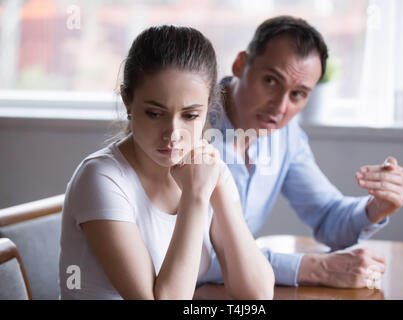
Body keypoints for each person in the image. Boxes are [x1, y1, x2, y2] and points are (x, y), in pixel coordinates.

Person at [58, 25, 274, 300]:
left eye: (190, 115)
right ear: (127, 100)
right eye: (154, 113)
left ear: (208, 106)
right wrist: (195, 197)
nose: (173, 134)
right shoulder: (102, 178)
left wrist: (216, 186)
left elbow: (256, 296)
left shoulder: (205, 168)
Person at [201, 16, 403, 289]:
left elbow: (326, 215)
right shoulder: (188, 125)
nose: (279, 107)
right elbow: (185, 256)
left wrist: (375, 208)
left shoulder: (285, 135)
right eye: (270, 81)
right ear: (240, 64)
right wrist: (312, 267)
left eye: (298, 94)